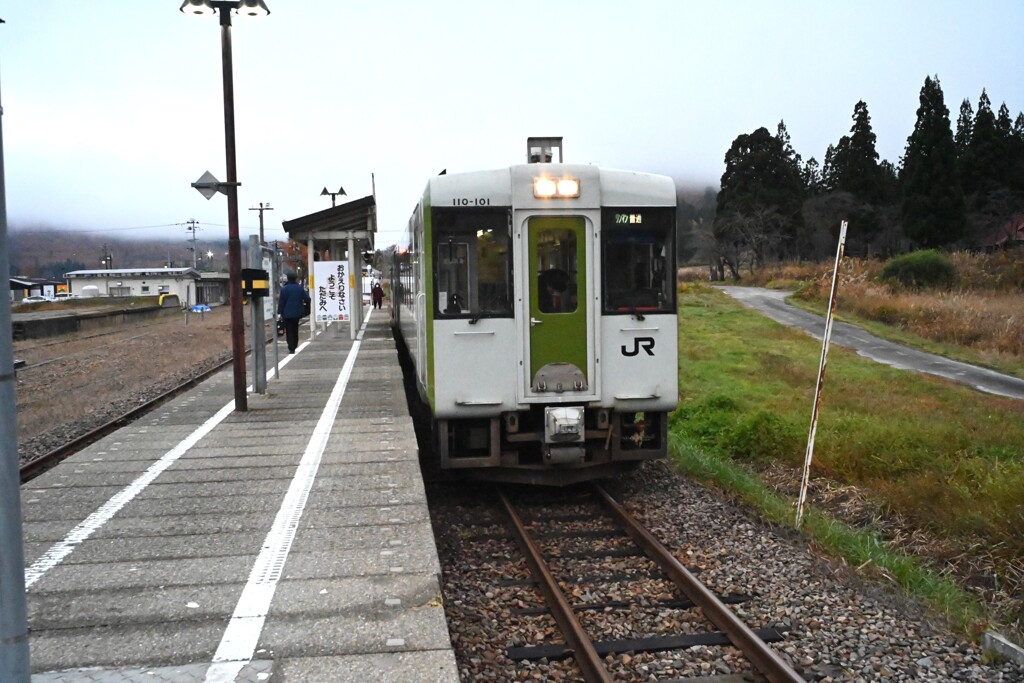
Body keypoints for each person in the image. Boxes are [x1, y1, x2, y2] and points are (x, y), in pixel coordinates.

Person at [278, 271, 310, 354]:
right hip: (297, 313)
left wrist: (280, 313)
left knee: (289, 330)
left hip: (286, 314)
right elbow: (307, 299)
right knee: (295, 329)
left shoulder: (284, 289)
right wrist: (305, 308)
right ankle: (295, 344)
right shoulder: (299, 288)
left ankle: (291, 348)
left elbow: (281, 302)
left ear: (288, 278)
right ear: (296, 278)